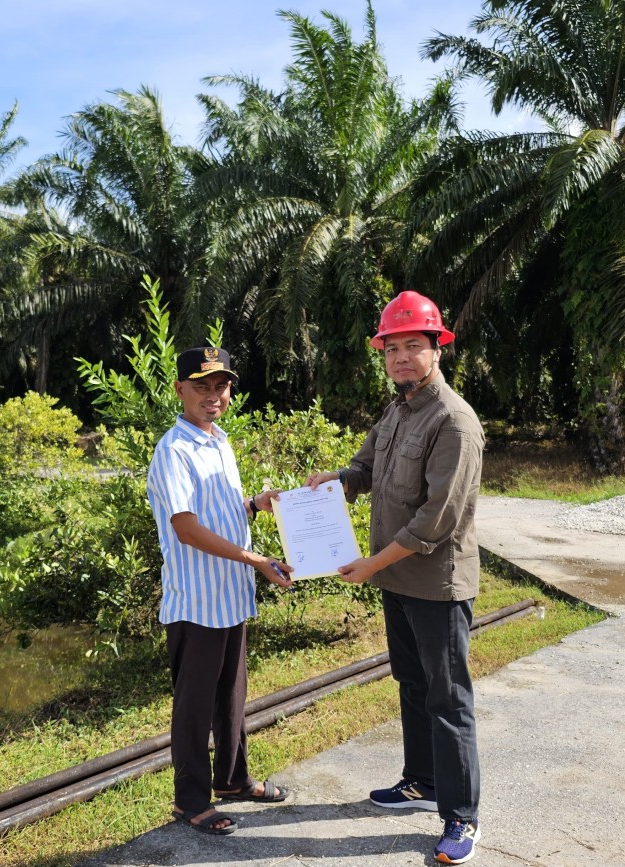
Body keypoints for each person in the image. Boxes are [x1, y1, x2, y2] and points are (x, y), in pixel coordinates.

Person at [305, 291, 485, 865]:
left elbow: (437, 519)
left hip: (436, 584)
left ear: (437, 350)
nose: (402, 357)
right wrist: (320, 486)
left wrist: (370, 565)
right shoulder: (398, 410)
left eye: (414, 346)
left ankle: (462, 817)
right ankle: (421, 782)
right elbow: (362, 471)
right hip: (397, 584)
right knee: (412, 685)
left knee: (449, 698)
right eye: (393, 348)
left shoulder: (453, 420)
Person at [147, 346, 294, 836]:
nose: (213, 395)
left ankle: (232, 779)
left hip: (229, 596)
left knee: (231, 695)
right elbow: (187, 529)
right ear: (180, 390)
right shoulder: (175, 449)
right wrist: (257, 560)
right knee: (194, 706)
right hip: (196, 601)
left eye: (221, 386)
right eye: (201, 385)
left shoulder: (218, 442)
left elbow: (217, 515)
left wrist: (254, 504)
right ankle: (191, 801)